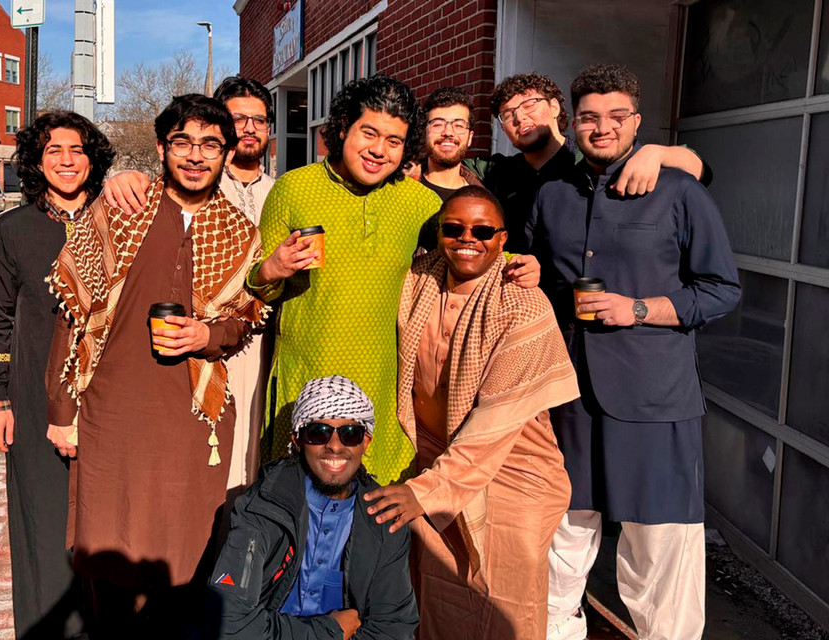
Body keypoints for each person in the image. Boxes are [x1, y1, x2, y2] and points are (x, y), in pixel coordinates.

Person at [528, 65, 741, 640]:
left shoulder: (678, 191)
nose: (603, 128)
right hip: (570, 396)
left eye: (617, 116)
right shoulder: (552, 196)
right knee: (562, 538)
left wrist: (640, 308)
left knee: (659, 550)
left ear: (636, 122)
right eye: (590, 117)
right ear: (572, 125)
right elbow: (540, 277)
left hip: (655, 400)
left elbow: (722, 289)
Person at [45, 94, 267, 638]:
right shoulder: (121, 208)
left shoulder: (240, 231)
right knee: (109, 553)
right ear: (163, 147)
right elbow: (73, 311)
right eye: (182, 142)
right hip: (111, 412)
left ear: (227, 151)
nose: (195, 156)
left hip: (193, 420)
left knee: (186, 552)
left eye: (210, 144)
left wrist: (207, 333)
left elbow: (244, 319)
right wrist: (61, 407)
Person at [249, 76, 540, 483]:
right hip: (306, 373)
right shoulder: (293, 188)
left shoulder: (417, 201)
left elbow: (467, 245)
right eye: (368, 133)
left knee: (375, 502)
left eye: (394, 141)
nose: (378, 151)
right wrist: (270, 271)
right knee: (299, 502)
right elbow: (256, 287)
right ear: (342, 128)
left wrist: (515, 262)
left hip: (385, 382)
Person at [364, 186, 579, 639]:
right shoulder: (421, 278)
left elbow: (492, 427)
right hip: (436, 465)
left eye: (483, 230)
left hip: (512, 476)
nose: (468, 238)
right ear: (438, 234)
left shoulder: (521, 304)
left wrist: (424, 492)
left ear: (503, 240)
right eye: (454, 228)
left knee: (504, 609)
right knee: (438, 599)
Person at [0, 110, 115, 638]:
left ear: (92, 157)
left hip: (107, 397)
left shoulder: (116, 219)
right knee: (45, 520)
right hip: (34, 396)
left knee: (104, 526)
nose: (66, 160)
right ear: (37, 160)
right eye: (53, 150)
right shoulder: (15, 228)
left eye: (76, 149)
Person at [102, 75, 276, 492]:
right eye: (240, 118)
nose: (250, 127)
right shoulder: (187, 186)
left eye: (260, 119)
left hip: (254, 336)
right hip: (183, 347)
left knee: (252, 446)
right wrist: (122, 178)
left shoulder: (282, 191)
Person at [209, 375, 419, 640]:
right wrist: (329, 631)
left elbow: (394, 628)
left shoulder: (383, 517)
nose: (334, 445)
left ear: (366, 442)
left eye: (350, 434)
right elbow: (230, 623)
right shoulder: (263, 506)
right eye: (318, 432)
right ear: (297, 440)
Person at [464, 72, 709, 253]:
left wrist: (658, 153)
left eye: (530, 104)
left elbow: (700, 170)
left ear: (554, 108)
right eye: (508, 114)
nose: (519, 117)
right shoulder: (500, 172)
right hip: (524, 305)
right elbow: (448, 166)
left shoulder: (593, 158)